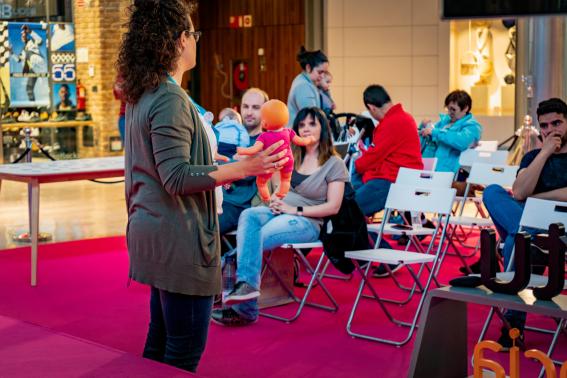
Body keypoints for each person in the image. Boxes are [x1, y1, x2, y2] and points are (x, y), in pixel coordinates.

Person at [117, 0, 288, 372]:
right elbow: (176, 177)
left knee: (160, 344)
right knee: (181, 354)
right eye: (193, 33)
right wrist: (245, 167)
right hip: (177, 234)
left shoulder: (144, 93)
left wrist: (212, 164)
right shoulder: (168, 99)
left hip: (153, 228)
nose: (196, 39)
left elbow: (160, 163)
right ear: (179, 41)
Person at [212, 107, 349, 326]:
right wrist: (276, 199)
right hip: (282, 210)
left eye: (312, 124)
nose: (305, 129)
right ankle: (241, 287)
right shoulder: (294, 155)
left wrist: (294, 210)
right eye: (301, 125)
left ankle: (233, 277)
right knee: (249, 215)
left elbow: (333, 207)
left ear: (323, 129)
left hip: (308, 220)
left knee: (255, 237)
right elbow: (278, 185)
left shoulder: (334, 163)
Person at [482, 97, 567, 349]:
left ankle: (514, 323)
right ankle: (526, 238)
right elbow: (519, 193)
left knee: (516, 239)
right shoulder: (532, 157)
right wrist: (545, 153)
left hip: (560, 228)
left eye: (557, 123)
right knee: (493, 191)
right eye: (545, 125)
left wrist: (537, 200)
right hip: (529, 222)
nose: (551, 130)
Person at [352, 85, 424, 277]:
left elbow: (375, 156)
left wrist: (355, 165)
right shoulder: (403, 118)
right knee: (350, 206)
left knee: (347, 211)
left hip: (392, 182)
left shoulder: (392, 122)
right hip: (396, 180)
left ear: (371, 108)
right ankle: (365, 253)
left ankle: (386, 255)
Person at [218, 88, 270, 236]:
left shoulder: (265, 142)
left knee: (202, 230)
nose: (249, 112)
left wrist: (228, 164)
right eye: (245, 106)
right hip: (213, 198)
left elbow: (247, 172)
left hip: (236, 205)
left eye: (255, 107)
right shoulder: (227, 135)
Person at [420, 90, 482, 175]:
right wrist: (425, 127)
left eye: (453, 109)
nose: (449, 113)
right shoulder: (445, 122)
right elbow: (432, 136)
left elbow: (461, 141)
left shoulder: (472, 126)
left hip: (448, 172)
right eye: (448, 109)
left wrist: (435, 132)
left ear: (465, 108)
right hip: (429, 168)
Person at [286, 46, 329, 127]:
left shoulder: (303, 80)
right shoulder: (304, 87)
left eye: (325, 73)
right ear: (308, 68)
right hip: (299, 136)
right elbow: (312, 118)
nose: (323, 76)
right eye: (320, 72)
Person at [13, 24, 47, 102]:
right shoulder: (23, 50)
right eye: (22, 36)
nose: (23, 37)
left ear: (27, 36)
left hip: (39, 62)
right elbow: (18, 60)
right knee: (29, 87)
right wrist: (11, 53)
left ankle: (26, 67)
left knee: (28, 53)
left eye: (24, 35)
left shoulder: (32, 41)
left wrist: (30, 31)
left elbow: (41, 41)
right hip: (34, 68)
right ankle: (33, 103)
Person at [113, 77, 126, 143]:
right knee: (128, 145)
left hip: (140, 115)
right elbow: (117, 93)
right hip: (125, 116)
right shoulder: (121, 77)